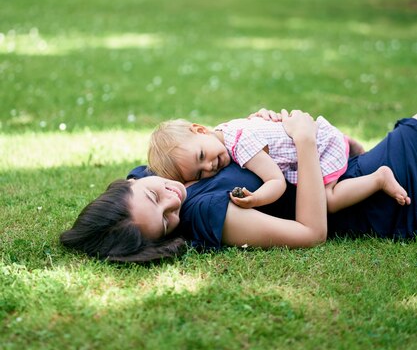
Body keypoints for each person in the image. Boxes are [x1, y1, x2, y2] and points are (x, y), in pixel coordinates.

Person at [60, 110, 417, 263]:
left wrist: (262, 128)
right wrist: (304, 141)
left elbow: (220, 144)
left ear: (130, 182)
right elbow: (311, 232)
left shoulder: (154, 172)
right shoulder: (203, 213)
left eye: (154, 195)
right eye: (167, 221)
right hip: (377, 197)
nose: (173, 200)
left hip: (351, 167)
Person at [147, 114, 410, 213]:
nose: (209, 167)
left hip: (317, 146)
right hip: (322, 135)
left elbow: (276, 181)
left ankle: (379, 178)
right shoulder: (226, 130)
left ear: (200, 130)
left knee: (327, 201)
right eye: (199, 174)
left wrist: (255, 199)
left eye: (201, 156)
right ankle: (350, 146)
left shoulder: (241, 145)